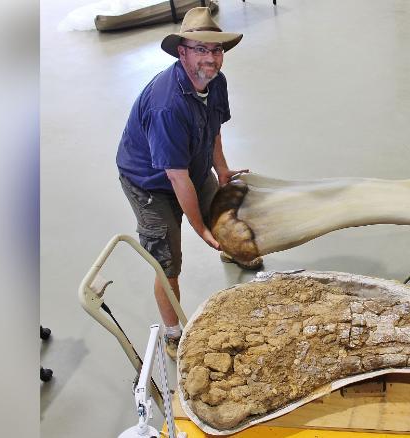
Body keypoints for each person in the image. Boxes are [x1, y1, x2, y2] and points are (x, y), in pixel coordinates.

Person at [116, 7, 257, 358]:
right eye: (200, 49)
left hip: (188, 165)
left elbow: (213, 132)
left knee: (224, 210)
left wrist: (221, 171)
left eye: (216, 49)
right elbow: (177, 180)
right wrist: (200, 229)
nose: (210, 58)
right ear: (182, 52)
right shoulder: (168, 105)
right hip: (150, 184)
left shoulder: (214, 80)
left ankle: (229, 251)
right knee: (168, 263)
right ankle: (174, 333)